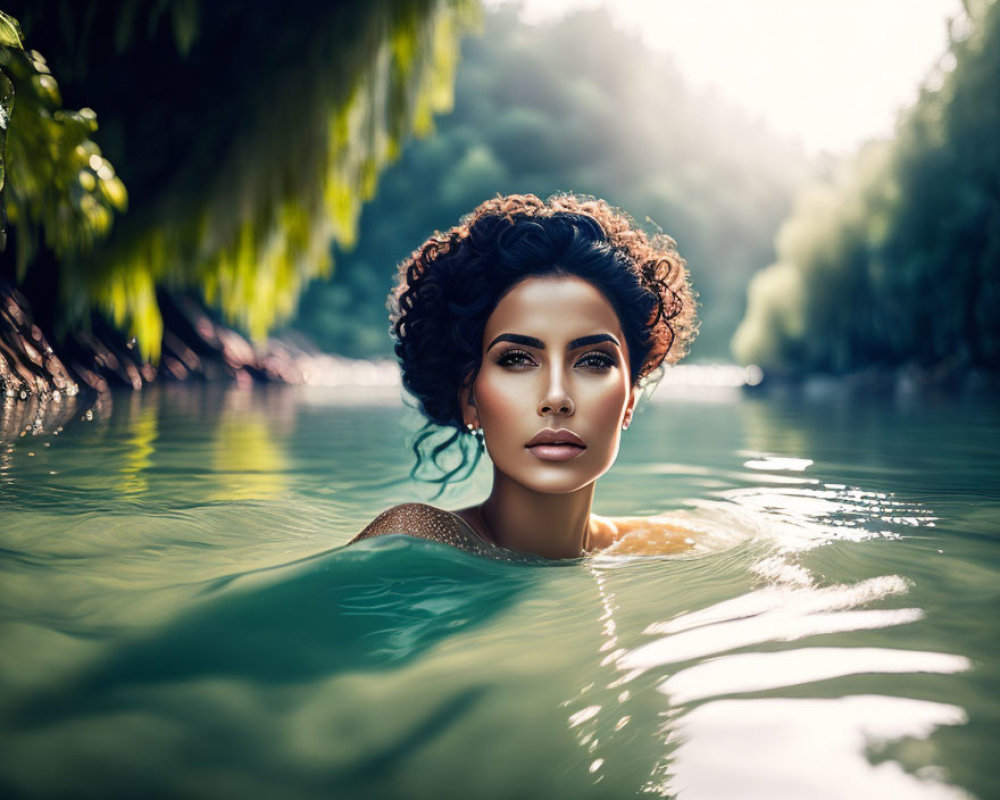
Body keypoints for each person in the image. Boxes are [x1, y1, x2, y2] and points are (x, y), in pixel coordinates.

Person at [351, 193, 698, 560]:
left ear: (629, 398)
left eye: (594, 361)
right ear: (469, 398)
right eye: (517, 359)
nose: (556, 398)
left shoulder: (667, 547)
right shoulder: (416, 542)